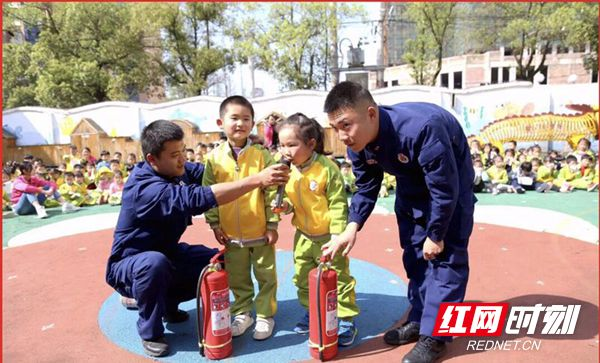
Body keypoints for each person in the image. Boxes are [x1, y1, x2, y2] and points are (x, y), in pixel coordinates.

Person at [105, 120, 289, 357]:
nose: (182, 159)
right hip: (130, 264)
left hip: (167, 254)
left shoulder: (179, 169)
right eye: (174, 155)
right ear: (152, 160)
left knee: (219, 261)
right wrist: (257, 180)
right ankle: (150, 330)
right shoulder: (145, 188)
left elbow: (217, 175)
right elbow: (198, 198)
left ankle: (168, 305)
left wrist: (246, 156)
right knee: (153, 264)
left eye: (183, 151)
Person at [321, 81, 475, 363]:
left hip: (451, 186)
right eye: (335, 128)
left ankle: (435, 338)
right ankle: (419, 318)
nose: (341, 136)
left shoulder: (422, 128)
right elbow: (367, 187)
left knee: (445, 259)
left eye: (346, 125)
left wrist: (437, 233)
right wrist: (351, 227)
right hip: (411, 186)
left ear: (370, 113)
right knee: (416, 255)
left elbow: (444, 190)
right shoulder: (358, 143)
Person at [273, 113, 360, 346]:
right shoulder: (287, 169)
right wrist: (284, 206)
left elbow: (338, 203)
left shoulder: (326, 168)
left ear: (311, 144)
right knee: (302, 277)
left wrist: (337, 236)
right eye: (282, 145)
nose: (286, 151)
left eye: (292, 145)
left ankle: (346, 319)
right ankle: (312, 310)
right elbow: (291, 200)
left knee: (339, 278)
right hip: (303, 236)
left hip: (329, 237)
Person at [202, 96, 280, 341]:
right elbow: (209, 193)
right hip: (231, 233)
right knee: (237, 276)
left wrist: (272, 224)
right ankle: (243, 312)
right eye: (234, 118)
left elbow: (272, 191)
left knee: (266, 275)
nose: (240, 124)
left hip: (259, 230)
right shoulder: (213, 159)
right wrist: (214, 223)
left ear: (253, 123)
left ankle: (266, 315)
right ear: (220, 122)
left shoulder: (261, 155)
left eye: (246, 119)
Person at [11, 162, 78, 218]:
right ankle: (39, 209)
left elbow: (51, 183)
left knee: (47, 187)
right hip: (20, 208)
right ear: (24, 171)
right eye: (32, 168)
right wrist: (43, 191)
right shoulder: (17, 181)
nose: (35, 170)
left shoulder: (34, 179)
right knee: (29, 190)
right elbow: (27, 188)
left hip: (32, 208)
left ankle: (65, 205)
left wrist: (51, 189)